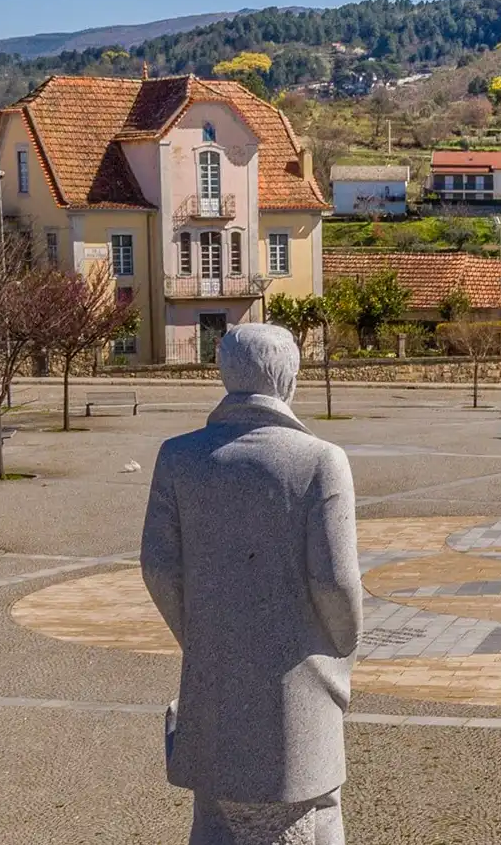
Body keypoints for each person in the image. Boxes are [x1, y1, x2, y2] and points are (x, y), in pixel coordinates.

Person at [141, 323, 362, 845]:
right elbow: (334, 583)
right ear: (288, 379)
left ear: (224, 373)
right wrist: (344, 646)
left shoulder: (179, 456)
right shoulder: (320, 462)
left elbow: (158, 567)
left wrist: (203, 636)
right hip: (300, 688)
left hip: (213, 685)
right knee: (312, 819)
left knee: (215, 822)